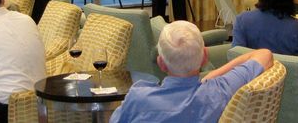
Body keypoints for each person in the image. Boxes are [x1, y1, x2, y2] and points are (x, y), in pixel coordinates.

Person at [110, 21, 273, 123]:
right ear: (204, 57)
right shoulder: (219, 91)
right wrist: (213, 75)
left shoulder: (138, 98)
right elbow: (265, 55)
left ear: (161, 63)